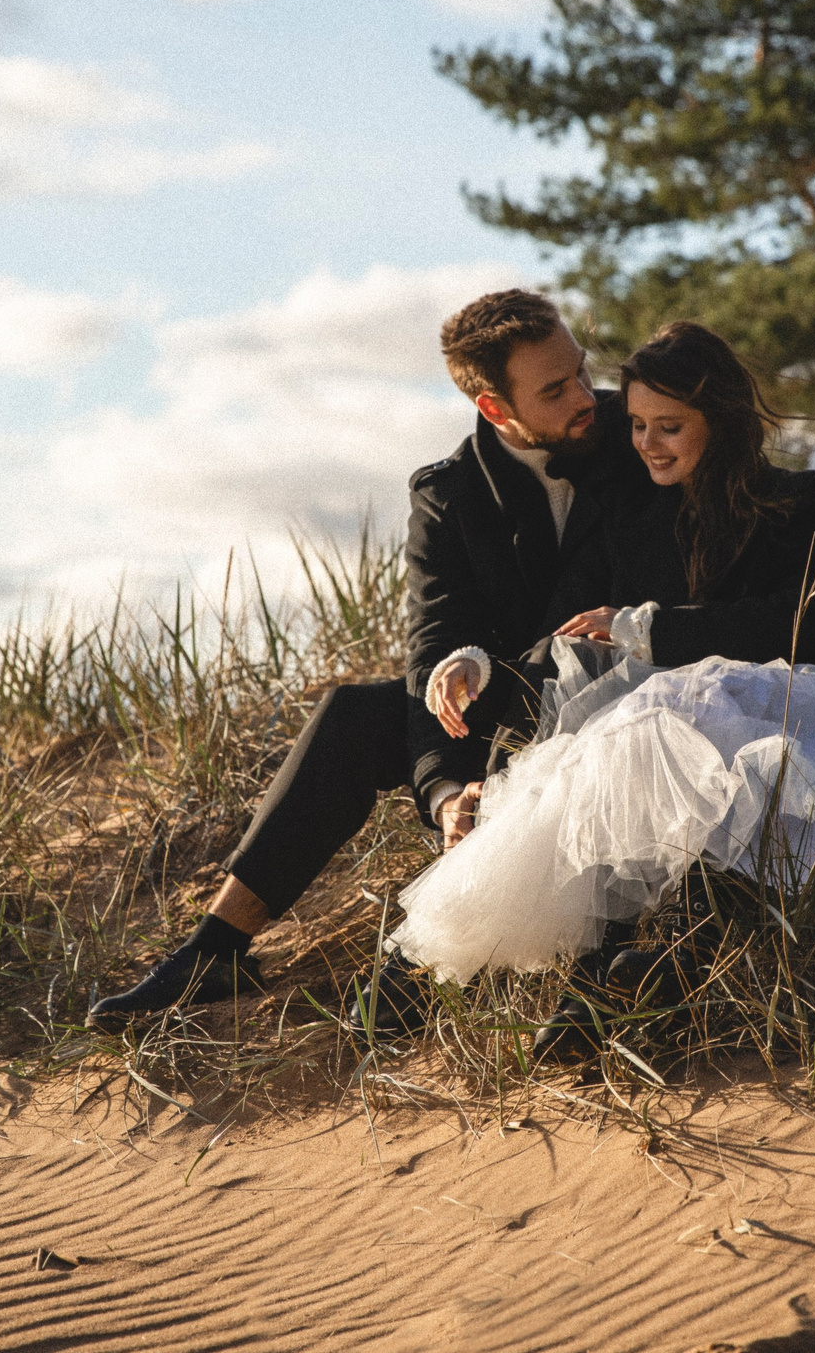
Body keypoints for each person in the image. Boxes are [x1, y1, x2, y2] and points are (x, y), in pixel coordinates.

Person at [387, 320, 815, 995]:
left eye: (668, 426)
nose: (647, 443)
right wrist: (485, 669)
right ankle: (537, 978)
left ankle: (666, 957)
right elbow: (572, 642)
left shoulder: (805, 498)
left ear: (719, 419)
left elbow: (803, 624)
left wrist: (648, 629)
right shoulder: (629, 518)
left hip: (799, 720)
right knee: (623, 739)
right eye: (637, 425)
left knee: (671, 706)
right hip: (669, 742)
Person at [87, 290, 649, 1028]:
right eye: (555, 389)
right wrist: (446, 792)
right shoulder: (449, 493)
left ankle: (445, 968)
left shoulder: (638, 434)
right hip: (500, 701)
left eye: (580, 370)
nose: (585, 396)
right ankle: (216, 948)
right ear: (493, 407)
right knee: (356, 715)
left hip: (617, 699)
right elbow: (432, 654)